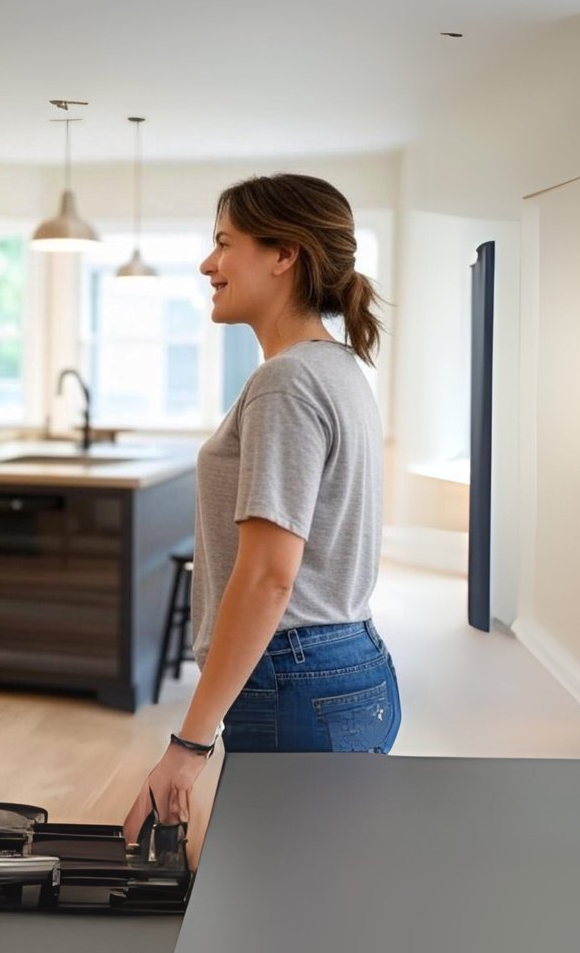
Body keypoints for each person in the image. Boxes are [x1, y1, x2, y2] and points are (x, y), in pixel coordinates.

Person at [124, 173, 398, 840]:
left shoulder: (286, 382)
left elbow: (270, 575)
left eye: (224, 244)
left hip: (294, 676)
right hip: (353, 659)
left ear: (284, 255)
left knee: (285, 897)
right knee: (314, 887)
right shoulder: (339, 368)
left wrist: (187, 749)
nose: (207, 264)